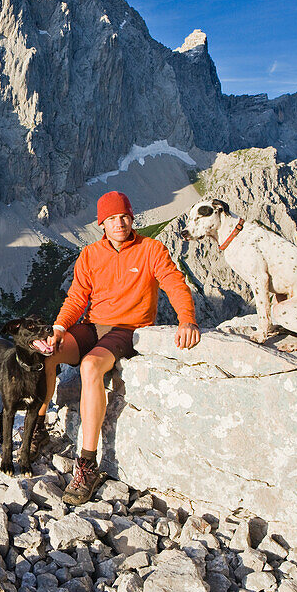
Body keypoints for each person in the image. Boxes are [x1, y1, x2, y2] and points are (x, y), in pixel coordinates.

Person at [34, 190, 200, 505]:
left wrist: (187, 319)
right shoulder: (90, 254)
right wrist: (58, 329)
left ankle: (87, 463)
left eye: (123, 216)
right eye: (111, 219)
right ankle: (38, 428)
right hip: (93, 325)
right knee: (46, 353)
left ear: (132, 218)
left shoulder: (151, 249)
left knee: (90, 366)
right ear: (102, 224)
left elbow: (174, 283)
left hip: (128, 330)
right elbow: (76, 297)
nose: (119, 223)